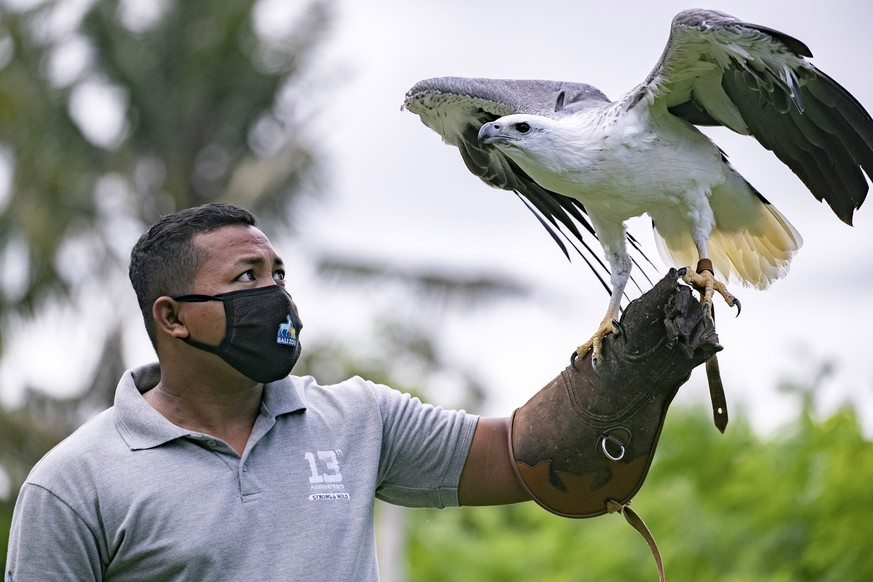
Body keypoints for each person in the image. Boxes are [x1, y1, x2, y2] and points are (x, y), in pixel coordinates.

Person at [4, 203, 529, 581]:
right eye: (246, 276)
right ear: (173, 317)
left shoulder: (360, 418)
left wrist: (609, 357)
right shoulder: (74, 484)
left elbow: (521, 454)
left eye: (277, 274)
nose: (274, 295)